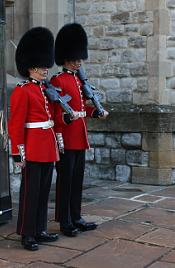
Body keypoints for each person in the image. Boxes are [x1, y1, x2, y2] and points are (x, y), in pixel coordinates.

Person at [50, 23, 109, 237]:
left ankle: (76, 216)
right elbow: (58, 114)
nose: (79, 61)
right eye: (76, 57)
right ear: (66, 57)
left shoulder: (78, 80)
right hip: (66, 138)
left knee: (77, 181)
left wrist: (97, 113)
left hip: (80, 138)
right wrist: (66, 122)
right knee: (64, 182)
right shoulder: (58, 80)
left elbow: (83, 109)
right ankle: (64, 221)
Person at [8, 27, 62, 251]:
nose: (46, 68)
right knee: (30, 193)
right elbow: (16, 123)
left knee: (43, 192)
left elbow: (52, 118)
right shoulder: (23, 90)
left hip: (48, 147)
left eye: (46, 65)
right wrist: (18, 152)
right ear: (31, 68)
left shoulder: (44, 90)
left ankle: (40, 229)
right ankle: (27, 233)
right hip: (32, 147)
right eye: (42, 65)